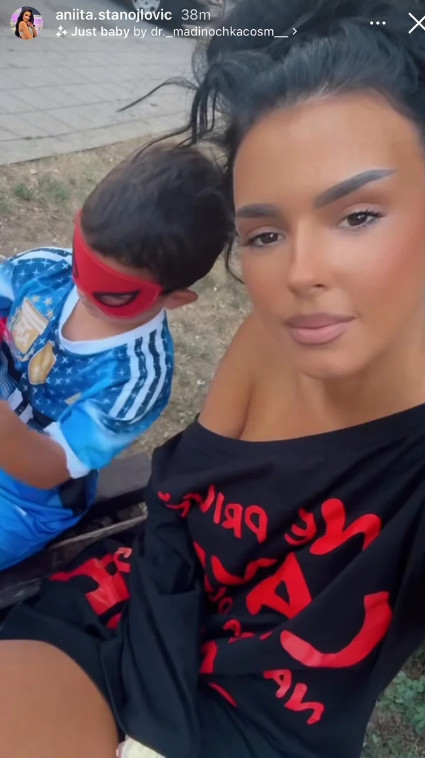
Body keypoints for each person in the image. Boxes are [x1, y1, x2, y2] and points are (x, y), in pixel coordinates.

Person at [1, 0, 425, 756]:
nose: (298, 273)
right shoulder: (271, 339)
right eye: (265, 233)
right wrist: (155, 724)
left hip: (270, 714)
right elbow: (175, 512)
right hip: (130, 612)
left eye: (357, 215)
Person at [0, 143, 233, 570]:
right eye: (82, 263)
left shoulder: (135, 378)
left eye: (113, 293)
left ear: (175, 298)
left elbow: (49, 470)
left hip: (24, 500)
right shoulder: (45, 269)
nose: (82, 289)